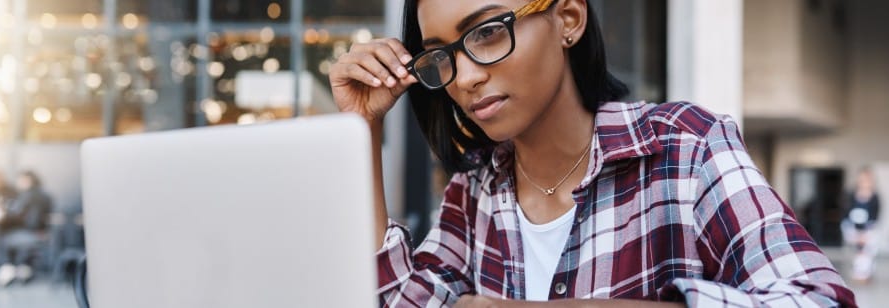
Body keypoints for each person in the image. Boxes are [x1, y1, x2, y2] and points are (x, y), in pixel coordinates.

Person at [329, 0, 856, 306]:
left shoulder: (683, 148)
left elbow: (817, 300)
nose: (464, 77)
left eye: (488, 33)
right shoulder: (476, 192)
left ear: (569, 19)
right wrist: (364, 128)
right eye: (440, 56)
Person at [0, 170, 53, 286]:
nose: (18, 183)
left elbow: (15, 212)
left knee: (2, 239)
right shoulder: (45, 195)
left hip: (29, 233)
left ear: (27, 180)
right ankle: (23, 269)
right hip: (43, 233)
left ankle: (7, 270)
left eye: (20, 180)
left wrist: (3, 208)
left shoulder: (27, 195)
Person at [841, 168, 881, 283]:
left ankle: (865, 275)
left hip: (868, 230)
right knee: (856, 252)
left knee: (867, 252)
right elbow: (845, 214)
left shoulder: (875, 196)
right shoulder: (851, 194)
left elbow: (875, 217)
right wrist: (853, 232)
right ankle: (856, 273)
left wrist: (866, 234)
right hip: (852, 229)